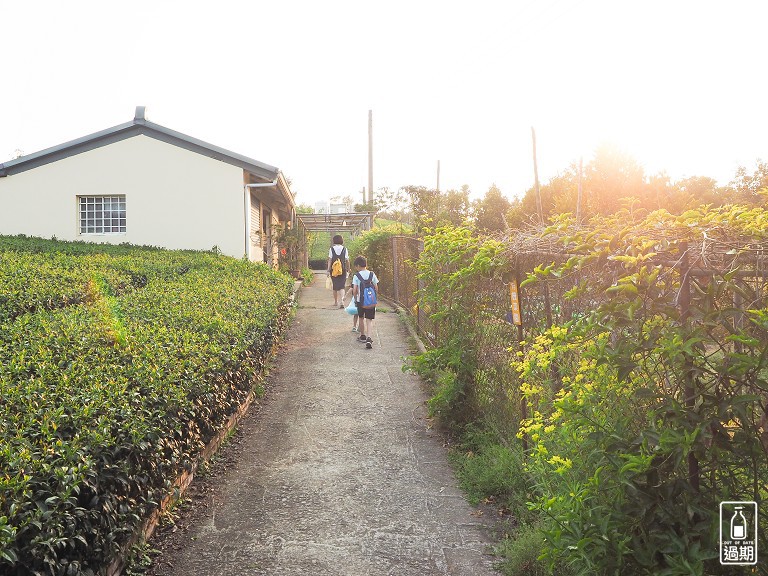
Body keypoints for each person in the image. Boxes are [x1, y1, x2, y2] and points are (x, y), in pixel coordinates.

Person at [352, 255, 379, 349]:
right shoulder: (372, 274)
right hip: (371, 301)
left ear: (358, 265)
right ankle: (369, 337)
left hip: (360, 301)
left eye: (356, 266)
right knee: (369, 319)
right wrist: (374, 297)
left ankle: (362, 335)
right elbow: (376, 287)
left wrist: (355, 298)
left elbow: (355, 289)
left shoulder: (356, 276)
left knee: (361, 317)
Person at [326, 235, 350, 308]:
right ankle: (342, 301)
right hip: (342, 270)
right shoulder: (345, 249)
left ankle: (336, 302)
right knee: (342, 287)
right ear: (341, 240)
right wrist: (348, 268)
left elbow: (330, 260)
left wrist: (328, 269)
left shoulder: (331, 249)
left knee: (335, 286)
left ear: (334, 241)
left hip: (334, 270)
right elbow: (347, 260)